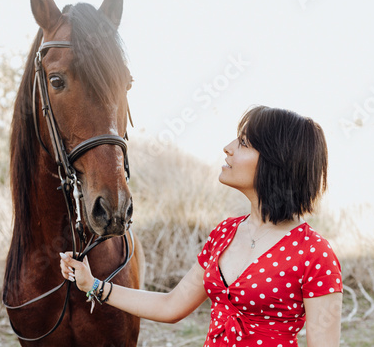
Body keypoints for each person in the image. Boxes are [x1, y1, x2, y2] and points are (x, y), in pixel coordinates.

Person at [60, 105, 343, 346]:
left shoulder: (315, 255)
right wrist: (93, 284)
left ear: (276, 161)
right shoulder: (224, 234)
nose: (228, 148)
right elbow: (171, 306)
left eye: (243, 143)